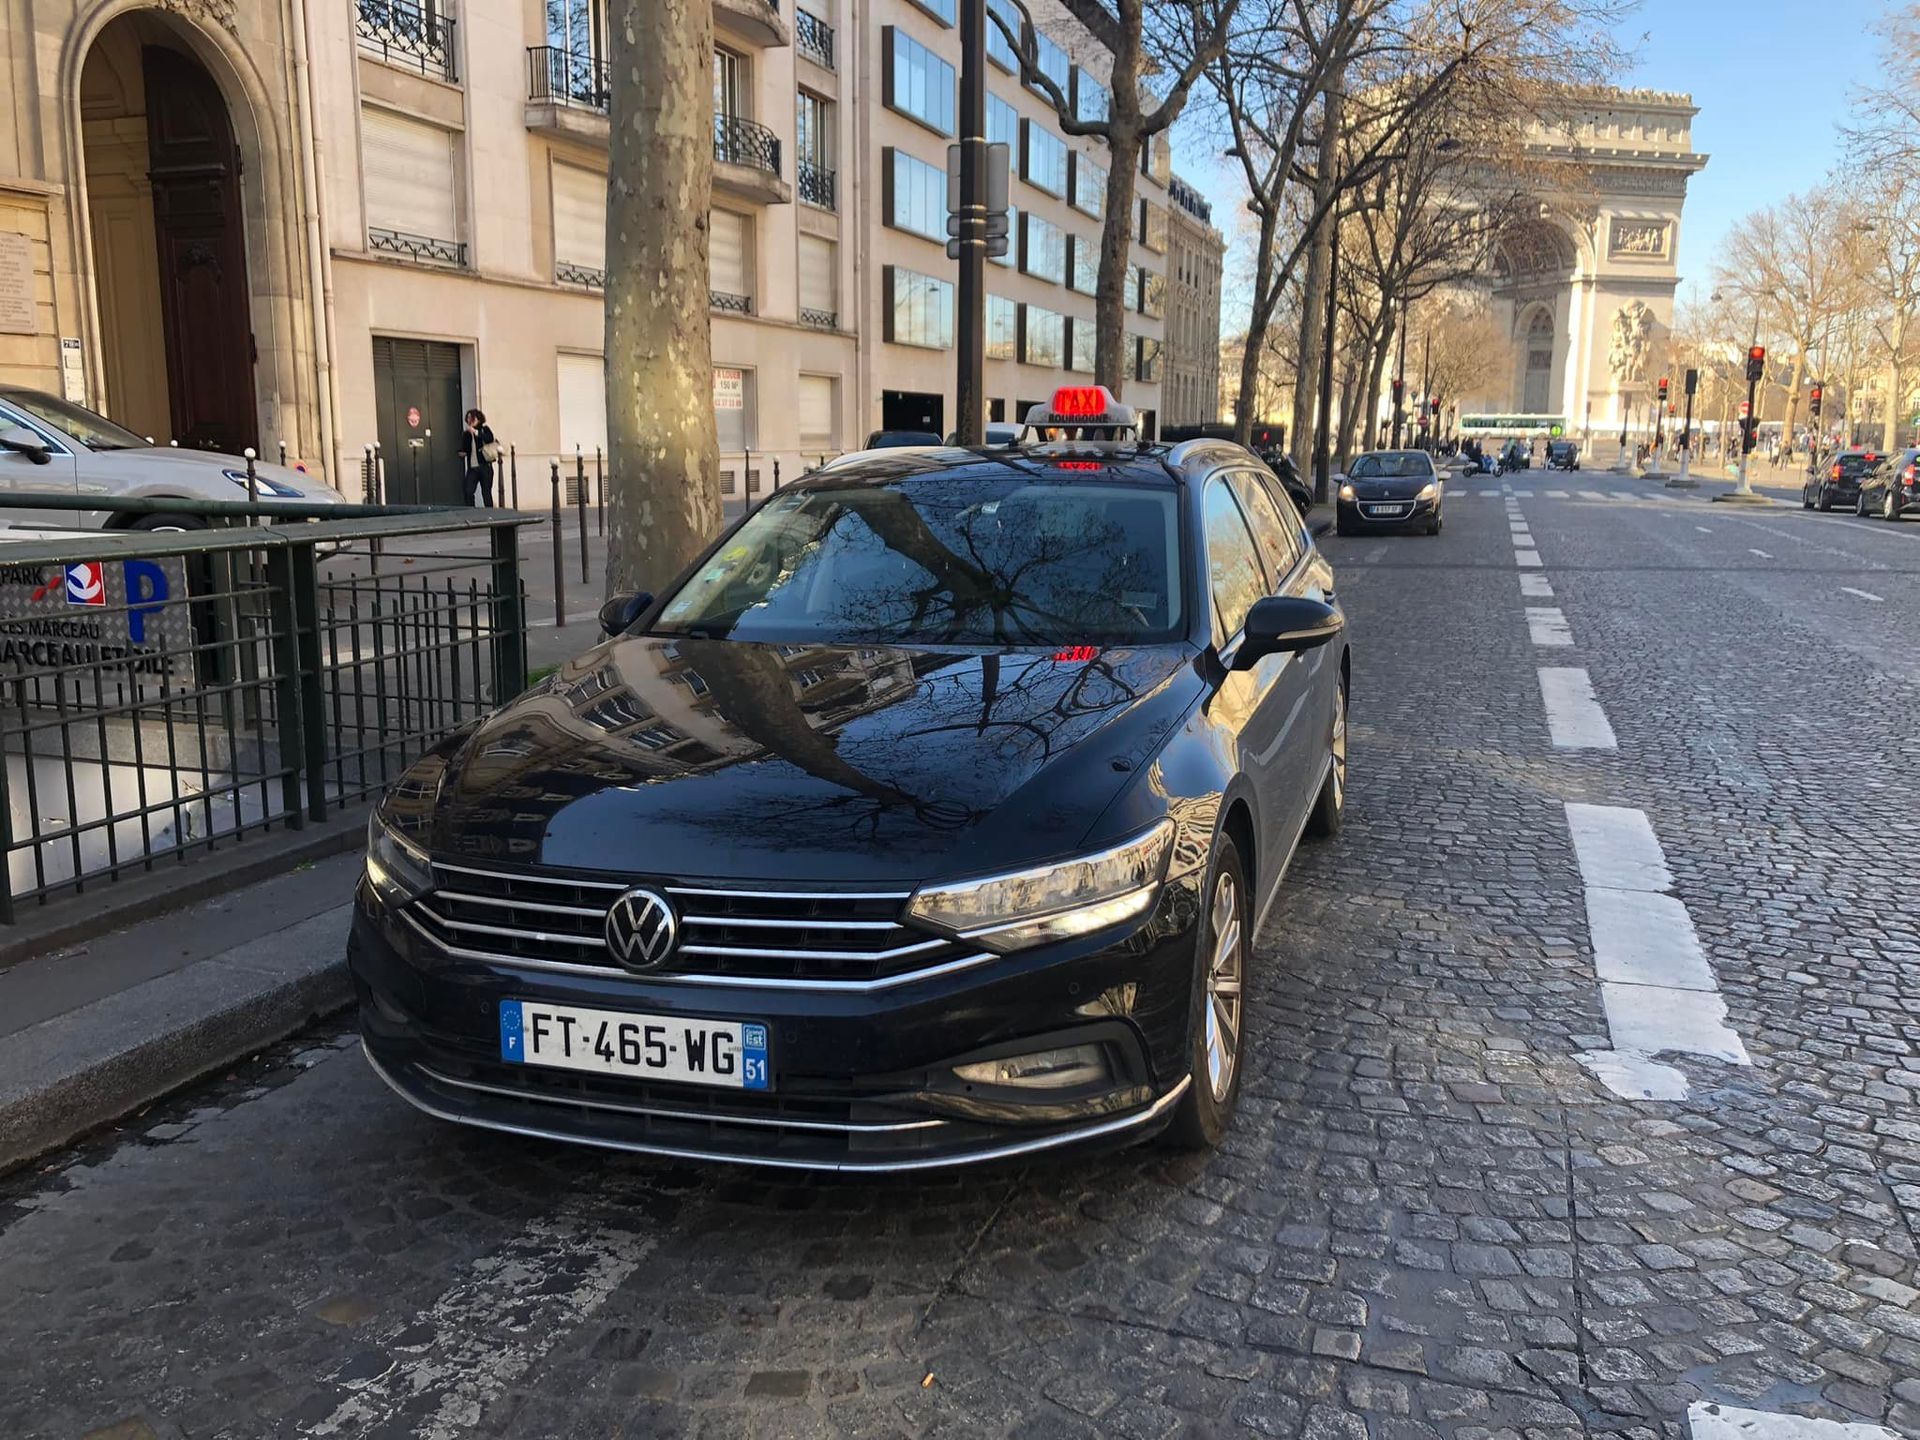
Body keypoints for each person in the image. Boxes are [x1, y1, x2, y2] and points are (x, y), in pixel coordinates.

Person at [459, 408, 497, 507]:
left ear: (478, 419)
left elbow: (489, 439)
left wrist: (476, 432)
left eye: (471, 418)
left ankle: (490, 513)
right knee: (468, 491)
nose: (469, 420)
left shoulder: (484, 429)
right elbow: (465, 448)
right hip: (473, 467)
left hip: (485, 466)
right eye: (468, 418)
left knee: (486, 493)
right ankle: (471, 511)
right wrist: (462, 452)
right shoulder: (466, 433)